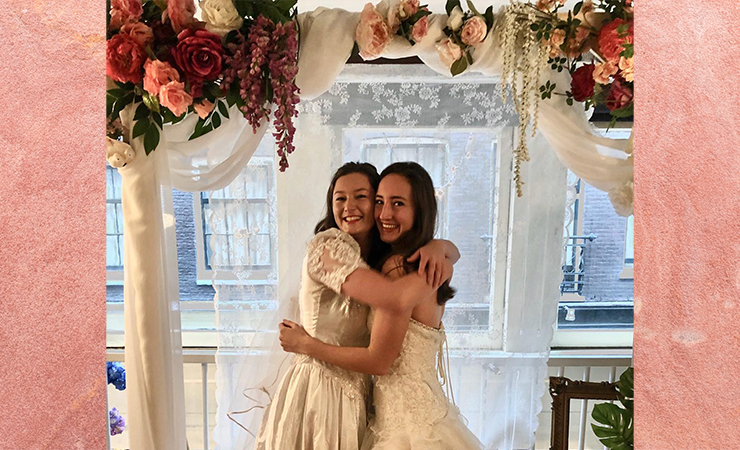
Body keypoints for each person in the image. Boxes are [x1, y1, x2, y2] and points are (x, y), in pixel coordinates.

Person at [254, 162, 460, 450]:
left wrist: (444, 251)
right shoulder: (329, 248)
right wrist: (446, 255)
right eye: (340, 198)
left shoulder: (398, 263)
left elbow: (393, 310)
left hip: (376, 405)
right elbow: (395, 299)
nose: (350, 207)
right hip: (320, 392)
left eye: (362, 197)